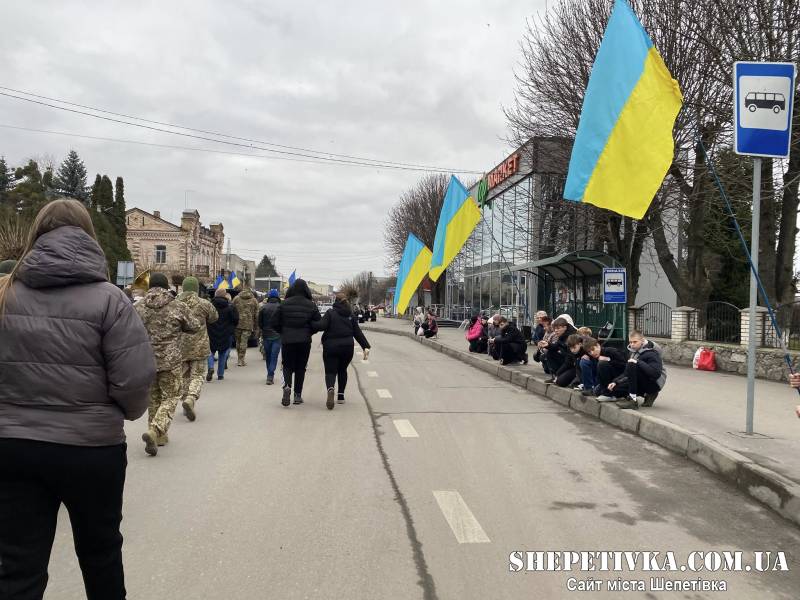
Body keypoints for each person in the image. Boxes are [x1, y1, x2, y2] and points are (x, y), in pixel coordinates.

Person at [0, 198, 156, 599]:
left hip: (13, 447)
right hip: (92, 449)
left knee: (17, 565)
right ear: (89, 237)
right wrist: (124, 412)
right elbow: (135, 379)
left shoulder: (4, 294)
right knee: (101, 555)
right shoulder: (111, 300)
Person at [136, 273, 201, 455]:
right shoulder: (177, 305)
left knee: (154, 397)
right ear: (166, 286)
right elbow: (195, 326)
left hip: (146, 359)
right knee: (172, 396)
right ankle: (156, 429)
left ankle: (159, 437)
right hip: (170, 360)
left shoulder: (138, 307)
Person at [314, 293, 371, 409]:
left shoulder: (330, 313)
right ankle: (340, 396)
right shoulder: (350, 315)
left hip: (331, 347)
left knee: (330, 371)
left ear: (335, 301)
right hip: (347, 348)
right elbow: (357, 332)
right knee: (342, 370)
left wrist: (310, 322)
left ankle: (330, 388)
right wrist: (366, 346)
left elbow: (321, 326)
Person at [270, 279, 321, 406]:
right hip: (304, 341)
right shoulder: (311, 305)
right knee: (301, 368)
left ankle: (287, 386)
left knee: (287, 365)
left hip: (288, 340)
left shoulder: (284, 304)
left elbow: (273, 322)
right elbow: (318, 323)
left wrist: (283, 331)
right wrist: (310, 332)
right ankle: (297, 395)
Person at [177, 276, 218, 424]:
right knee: (198, 375)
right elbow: (214, 318)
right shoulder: (204, 303)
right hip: (199, 346)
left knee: (184, 376)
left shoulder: (175, 303)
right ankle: (191, 398)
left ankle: (184, 399)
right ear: (196, 289)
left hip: (180, 347)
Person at [611, 330, 667, 409]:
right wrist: (615, 381)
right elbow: (627, 372)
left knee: (632, 364)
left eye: (635, 342)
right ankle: (644, 395)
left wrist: (638, 362)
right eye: (630, 342)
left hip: (655, 382)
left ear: (642, 340)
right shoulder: (633, 352)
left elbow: (655, 373)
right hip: (642, 378)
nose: (632, 344)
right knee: (616, 389)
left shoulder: (652, 352)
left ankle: (633, 400)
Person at [207, 287, 239, 381]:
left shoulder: (210, 306)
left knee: (210, 352)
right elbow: (236, 320)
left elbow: (206, 318)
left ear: (215, 295)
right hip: (226, 333)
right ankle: (220, 374)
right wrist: (231, 329)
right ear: (225, 295)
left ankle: (211, 367)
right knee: (222, 353)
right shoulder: (231, 307)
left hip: (211, 332)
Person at [540, 315, 577, 382]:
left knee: (561, 382)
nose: (556, 331)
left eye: (558, 328)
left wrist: (558, 373)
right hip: (566, 360)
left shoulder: (571, 337)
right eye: (555, 329)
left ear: (565, 327)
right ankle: (555, 376)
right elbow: (556, 346)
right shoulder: (562, 335)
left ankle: (560, 376)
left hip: (573, 365)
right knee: (549, 353)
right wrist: (548, 345)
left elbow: (569, 361)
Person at [258, 289, 282, 385]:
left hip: (266, 335)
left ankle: (269, 373)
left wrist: (264, 329)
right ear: (277, 297)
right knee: (274, 356)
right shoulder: (281, 307)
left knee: (268, 356)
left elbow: (260, 323)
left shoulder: (263, 307)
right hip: (277, 336)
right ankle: (270, 375)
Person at [232, 286, 259, 366]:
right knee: (244, 342)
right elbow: (257, 314)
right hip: (248, 324)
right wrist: (256, 326)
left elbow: (231, 309)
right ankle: (241, 359)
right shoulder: (254, 300)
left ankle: (239, 358)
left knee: (238, 341)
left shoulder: (236, 299)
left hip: (237, 323)